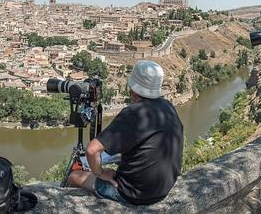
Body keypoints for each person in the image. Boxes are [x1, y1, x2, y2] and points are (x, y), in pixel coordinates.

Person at [67, 60, 184, 205]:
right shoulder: (167, 106)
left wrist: (101, 173)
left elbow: (92, 150)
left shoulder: (133, 113)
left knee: (74, 176)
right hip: (162, 189)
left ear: (133, 89)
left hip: (134, 194)